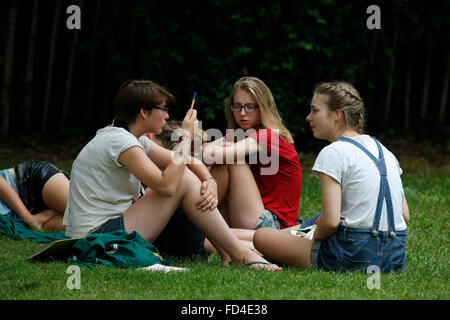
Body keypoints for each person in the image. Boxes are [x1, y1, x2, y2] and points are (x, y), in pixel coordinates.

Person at [62, 79, 281, 271]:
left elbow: (190, 160)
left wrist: (210, 180)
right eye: (163, 109)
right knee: (182, 179)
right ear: (144, 112)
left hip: (110, 228)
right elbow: (166, 186)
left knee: (185, 174)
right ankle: (239, 254)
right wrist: (185, 136)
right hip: (97, 239)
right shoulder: (119, 142)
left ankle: (230, 253)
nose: (167, 116)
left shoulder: (131, 138)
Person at [253, 81, 410, 272]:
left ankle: (239, 242)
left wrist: (311, 237)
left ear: (337, 115)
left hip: (350, 254)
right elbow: (404, 215)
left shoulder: (334, 152)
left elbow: (330, 222)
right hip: (394, 257)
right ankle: (237, 239)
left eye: (314, 111)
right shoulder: (385, 151)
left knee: (261, 237)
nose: (308, 117)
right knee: (306, 224)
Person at [202, 76, 302, 231]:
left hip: (273, 225)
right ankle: (199, 222)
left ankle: (197, 220)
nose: (242, 113)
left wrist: (212, 150)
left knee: (232, 159)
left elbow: (211, 154)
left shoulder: (269, 135)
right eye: (237, 106)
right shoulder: (244, 134)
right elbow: (205, 150)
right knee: (226, 156)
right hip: (252, 212)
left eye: (250, 107)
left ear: (263, 107)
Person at [0, 160, 69, 232]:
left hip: (27, 183)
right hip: (24, 220)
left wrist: (28, 218)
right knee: (79, 227)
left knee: (79, 213)